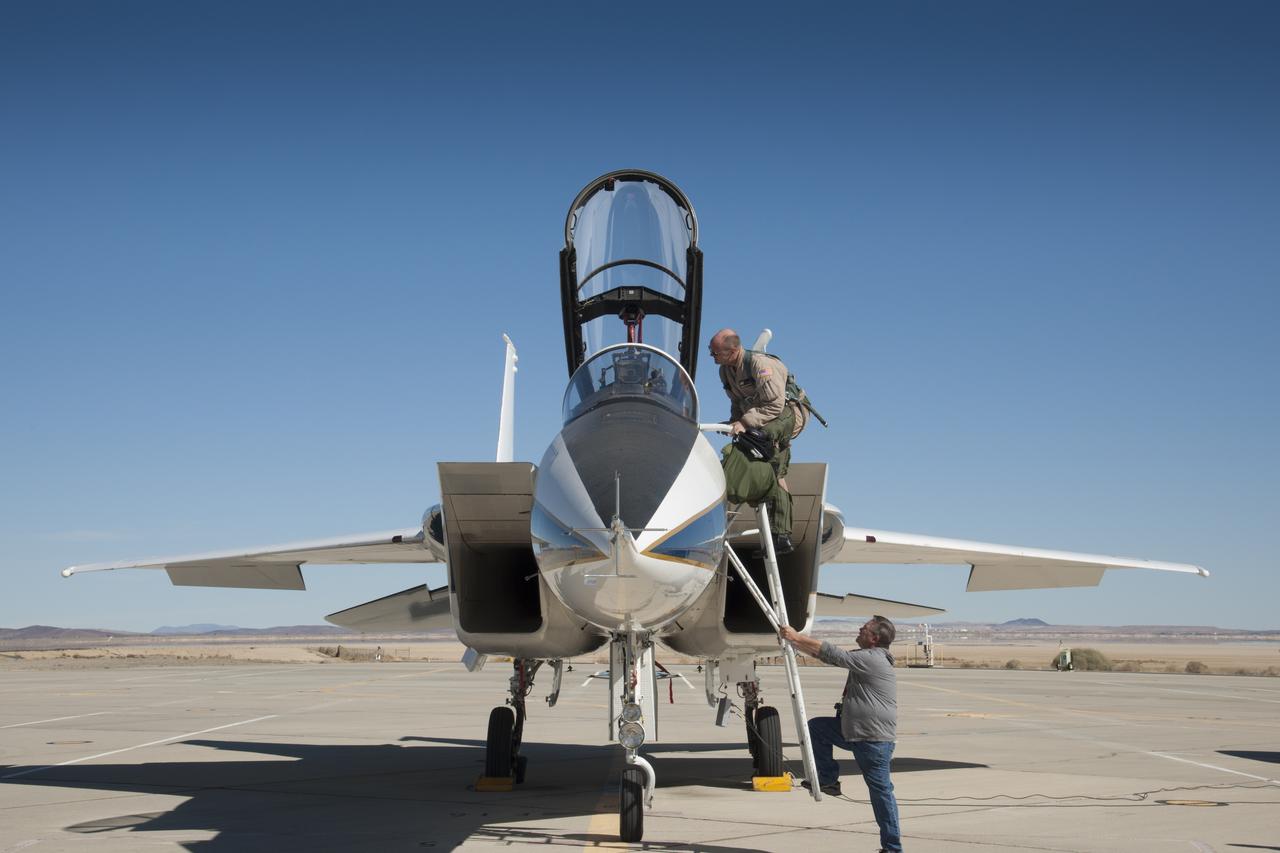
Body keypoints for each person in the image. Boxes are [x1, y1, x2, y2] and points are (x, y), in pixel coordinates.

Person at [780, 617, 903, 853]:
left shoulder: (873, 659)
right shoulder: (867, 657)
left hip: (873, 740)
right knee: (816, 728)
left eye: (864, 628)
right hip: (853, 732)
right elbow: (828, 656)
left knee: (881, 793)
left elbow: (835, 654)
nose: (860, 629)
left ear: (875, 638)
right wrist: (797, 644)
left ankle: (893, 848)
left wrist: (796, 637)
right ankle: (828, 780)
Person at [708, 328, 807, 556]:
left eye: (715, 353)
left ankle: (781, 535)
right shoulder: (726, 371)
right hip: (760, 414)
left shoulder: (761, 366)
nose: (712, 356)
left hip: (787, 413)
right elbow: (737, 401)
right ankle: (777, 534)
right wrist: (735, 422)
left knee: (772, 464)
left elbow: (774, 405)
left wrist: (745, 422)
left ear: (732, 352)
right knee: (753, 456)